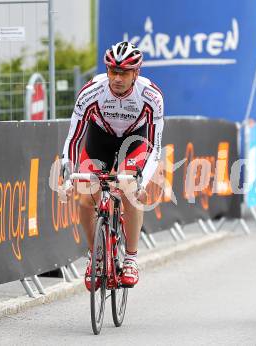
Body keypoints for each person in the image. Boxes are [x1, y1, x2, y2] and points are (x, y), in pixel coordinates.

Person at [59, 41, 164, 290]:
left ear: (135, 74)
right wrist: (67, 172)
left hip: (135, 140)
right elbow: (73, 138)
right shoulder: (91, 92)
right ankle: (95, 256)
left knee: (128, 189)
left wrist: (141, 182)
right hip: (100, 139)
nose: (117, 78)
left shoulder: (151, 96)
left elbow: (156, 148)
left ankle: (130, 258)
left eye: (124, 73)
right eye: (113, 72)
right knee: (85, 198)